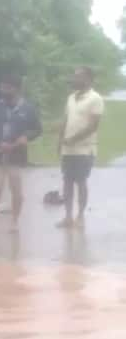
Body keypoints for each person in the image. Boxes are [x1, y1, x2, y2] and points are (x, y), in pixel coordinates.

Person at [0, 74, 42, 233]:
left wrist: (26, 137)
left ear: (17, 89)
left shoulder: (28, 109)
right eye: (2, 87)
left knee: (17, 191)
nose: (3, 90)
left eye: (7, 88)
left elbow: (37, 129)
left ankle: (14, 223)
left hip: (17, 156)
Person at [57, 66, 104, 229]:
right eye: (74, 76)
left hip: (85, 149)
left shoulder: (95, 98)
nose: (74, 79)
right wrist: (60, 140)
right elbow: (65, 120)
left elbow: (93, 126)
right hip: (68, 149)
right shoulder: (71, 97)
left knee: (81, 181)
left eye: (78, 76)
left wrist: (73, 139)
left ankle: (80, 216)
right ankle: (68, 216)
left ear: (88, 79)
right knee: (67, 181)